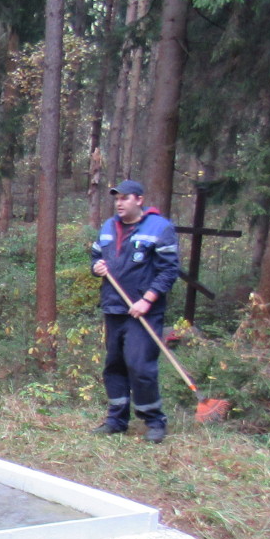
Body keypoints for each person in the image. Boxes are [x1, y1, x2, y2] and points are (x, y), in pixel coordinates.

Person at [88, 179, 179, 444]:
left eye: (124, 198)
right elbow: (95, 256)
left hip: (143, 312)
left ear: (139, 200)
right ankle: (116, 420)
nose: (119, 203)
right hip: (113, 307)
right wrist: (97, 267)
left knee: (140, 366)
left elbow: (169, 271)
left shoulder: (160, 228)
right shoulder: (108, 227)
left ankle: (154, 421)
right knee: (114, 365)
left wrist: (147, 300)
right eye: (116, 199)